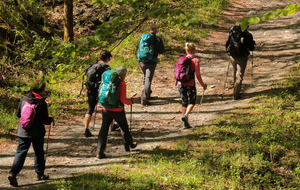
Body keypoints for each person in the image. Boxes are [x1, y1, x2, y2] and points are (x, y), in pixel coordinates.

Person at [8, 81, 54, 187]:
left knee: (21, 151)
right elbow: (44, 120)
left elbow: (19, 114)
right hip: (37, 132)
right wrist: (50, 119)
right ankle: (40, 173)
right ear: (42, 89)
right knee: (38, 152)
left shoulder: (24, 99)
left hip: (23, 130)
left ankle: (13, 172)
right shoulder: (41, 102)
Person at [96, 66, 137, 159]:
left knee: (104, 130)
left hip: (105, 109)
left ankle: (99, 151)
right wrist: (130, 102)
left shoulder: (107, 81)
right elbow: (123, 99)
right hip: (118, 110)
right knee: (124, 128)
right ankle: (128, 147)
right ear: (123, 74)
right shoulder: (121, 83)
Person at [83, 50, 119, 137]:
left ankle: (86, 129)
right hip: (101, 90)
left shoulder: (94, 65)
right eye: (109, 58)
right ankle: (112, 126)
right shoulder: (106, 67)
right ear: (107, 58)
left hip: (91, 89)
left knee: (90, 109)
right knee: (107, 106)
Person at [177, 43, 207, 129]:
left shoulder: (181, 60)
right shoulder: (195, 60)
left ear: (186, 50)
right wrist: (203, 85)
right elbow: (197, 75)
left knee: (184, 102)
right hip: (190, 84)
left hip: (181, 84)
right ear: (194, 50)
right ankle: (186, 115)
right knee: (192, 102)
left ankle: (184, 123)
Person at [225, 25, 255, 100]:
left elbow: (228, 43)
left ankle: (236, 90)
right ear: (247, 26)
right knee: (239, 75)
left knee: (235, 72)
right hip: (242, 57)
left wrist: (228, 52)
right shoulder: (248, 35)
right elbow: (251, 48)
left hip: (232, 56)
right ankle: (236, 94)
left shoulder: (232, 32)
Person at [137, 24, 165, 106]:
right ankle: (144, 99)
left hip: (141, 60)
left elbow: (138, 48)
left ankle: (148, 93)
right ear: (156, 30)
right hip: (151, 61)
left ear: (149, 30)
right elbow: (162, 50)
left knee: (145, 77)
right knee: (148, 79)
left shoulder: (143, 38)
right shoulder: (157, 39)